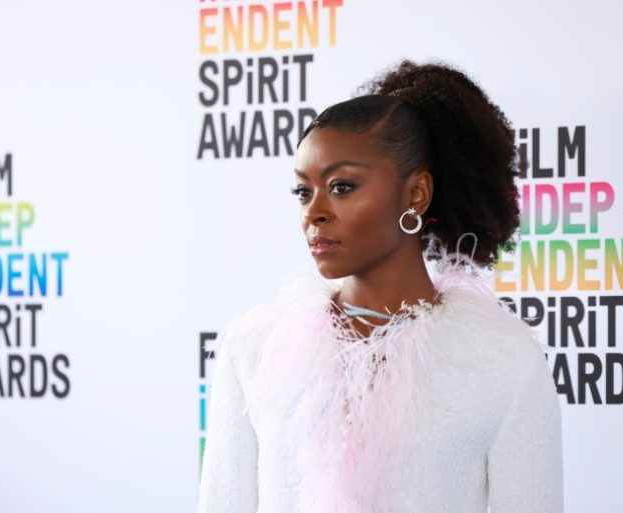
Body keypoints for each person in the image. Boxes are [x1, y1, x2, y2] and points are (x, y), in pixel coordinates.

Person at [196, 60, 564, 513]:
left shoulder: (500, 359)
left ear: (415, 195)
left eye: (342, 186)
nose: (314, 212)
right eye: (303, 191)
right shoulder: (254, 350)